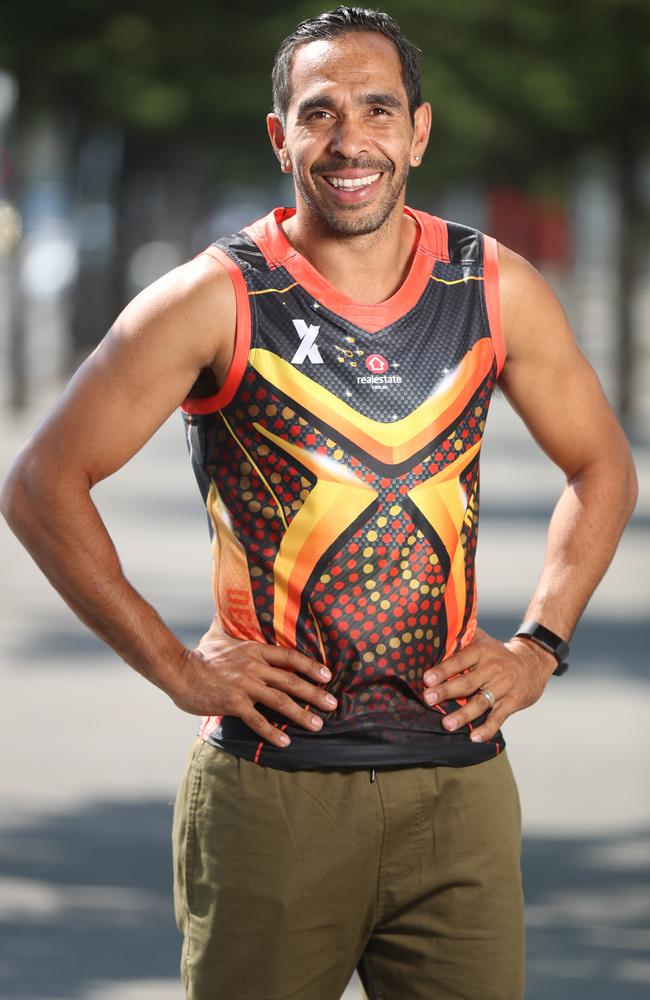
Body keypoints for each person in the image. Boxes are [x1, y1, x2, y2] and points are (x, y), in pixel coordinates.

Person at [1, 6, 637, 1000]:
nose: (350, 141)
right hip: (271, 795)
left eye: (377, 111)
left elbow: (602, 466)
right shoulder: (215, 296)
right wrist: (173, 665)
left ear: (417, 132)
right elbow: (41, 483)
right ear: (279, 134)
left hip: (458, 791)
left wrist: (537, 646)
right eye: (319, 112)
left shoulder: (491, 285)